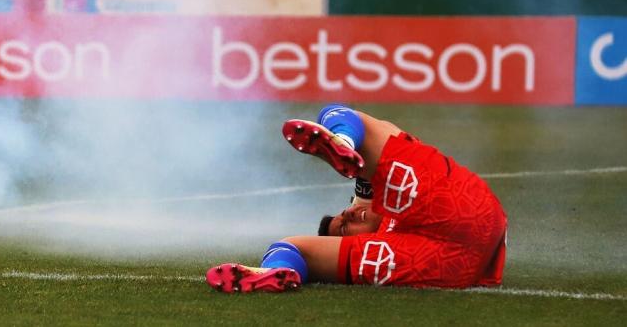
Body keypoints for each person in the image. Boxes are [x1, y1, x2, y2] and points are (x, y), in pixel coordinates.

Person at [206, 104, 508, 293]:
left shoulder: (381, 204)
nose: (346, 218)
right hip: (463, 223)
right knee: (346, 117)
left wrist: (360, 193)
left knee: (359, 144)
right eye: (342, 231)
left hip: (449, 258)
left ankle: (342, 141)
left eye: (343, 213)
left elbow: (362, 200)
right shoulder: (378, 241)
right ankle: (274, 275)